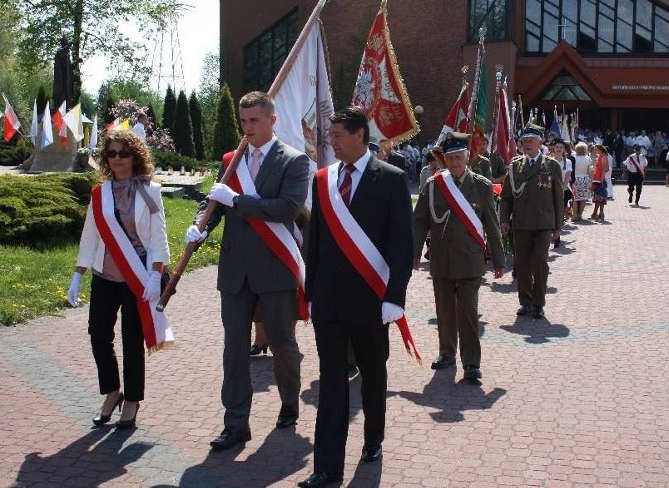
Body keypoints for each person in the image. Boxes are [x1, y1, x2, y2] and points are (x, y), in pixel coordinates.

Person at [185, 91, 309, 451]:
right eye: (243, 121)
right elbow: (212, 203)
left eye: (255, 120)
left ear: (272, 120)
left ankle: (288, 402)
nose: (248, 127)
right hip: (236, 271)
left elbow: (287, 208)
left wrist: (237, 200)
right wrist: (199, 226)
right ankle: (236, 423)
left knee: (283, 343)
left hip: (275, 267)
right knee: (234, 347)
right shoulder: (231, 160)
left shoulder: (294, 161)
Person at [299, 107, 413, 487]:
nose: (331, 140)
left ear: (360, 135)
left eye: (337, 134)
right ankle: (327, 468)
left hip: (372, 301)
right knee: (331, 382)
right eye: (330, 134)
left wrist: (395, 298)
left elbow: (401, 245)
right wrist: (310, 293)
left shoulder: (392, 179)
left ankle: (373, 439)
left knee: (373, 376)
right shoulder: (322, 180)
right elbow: (314, 242)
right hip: (329, 302)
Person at [66, 129, 171, 429]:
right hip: (104, 275)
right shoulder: (100, 194)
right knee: (98, 334)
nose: (117, 159)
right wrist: (77, 275)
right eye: (111, 153)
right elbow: (89, 236)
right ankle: (113, 391)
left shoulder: (150, 191)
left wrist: (155, 274)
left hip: (137, 276)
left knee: (132, 340)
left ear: (135, 157)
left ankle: (133, 400)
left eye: (123, 153)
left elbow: (158, 238)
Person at [412, 132, 505, 381]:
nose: (454, 163)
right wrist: (414, 252)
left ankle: (472, 363)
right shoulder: (433, 186)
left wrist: (498, 259)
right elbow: (419, 221)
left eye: (458, 158)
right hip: (441, 259)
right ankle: (447, 353)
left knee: (468, 313)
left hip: (470, 260)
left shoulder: (482, 186)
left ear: (467, 158)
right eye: (450, 158)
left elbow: (492, 224)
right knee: (444, 311)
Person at [499, 123, 564, 320]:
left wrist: (558, 225)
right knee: (522, 264)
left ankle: (539, 303)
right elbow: (507, 197)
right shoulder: (515, 166)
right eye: (524, 141)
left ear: (540, 142)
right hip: (521, 224)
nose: (527, 144)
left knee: (540, 263)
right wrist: (504, 219)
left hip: (544, 223)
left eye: (531, 140)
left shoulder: (551, 166)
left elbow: (558, 197)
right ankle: (526, 302)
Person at [571, 142, 591, 221]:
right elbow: (590, 170)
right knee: (583, 199)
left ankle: (575, 214)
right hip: (585, 179)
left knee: (575, 198)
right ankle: (580, 215)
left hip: (576, 179)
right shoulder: (588, 158)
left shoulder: (574, 158)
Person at [589, 144, 609, 221]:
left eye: (596, 149)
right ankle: (599, 213)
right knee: (599, 197)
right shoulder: (600, 156)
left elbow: (605, 169)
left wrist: (601, 180)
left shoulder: (603, 157)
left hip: (600, 179)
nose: (595, 150)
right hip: (597, 178)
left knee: (599, 197)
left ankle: (596, 213)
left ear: (600, 149)